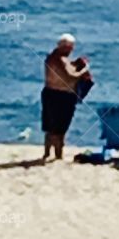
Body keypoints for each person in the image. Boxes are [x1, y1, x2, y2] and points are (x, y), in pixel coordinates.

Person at [40, 34, 91, 163]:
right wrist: (84, 70)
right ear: (65, 47)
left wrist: (76, 65)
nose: (71, 50)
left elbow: (67, 70)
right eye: (70, 47)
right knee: (59, 128)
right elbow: (69, 77)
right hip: (60, 95)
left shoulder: (56, 58)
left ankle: (47, 153)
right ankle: (58, 155)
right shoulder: (59, 59)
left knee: (50, 126)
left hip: (52, 93)